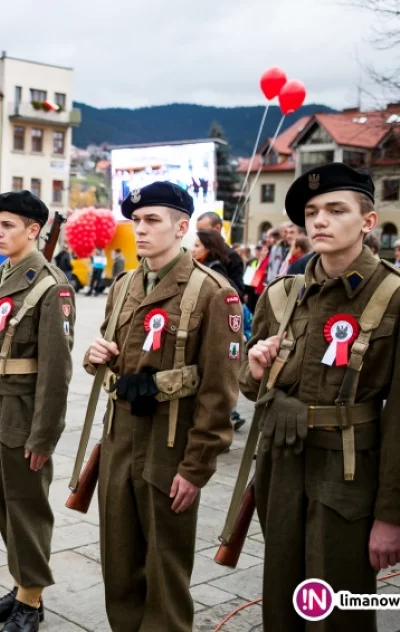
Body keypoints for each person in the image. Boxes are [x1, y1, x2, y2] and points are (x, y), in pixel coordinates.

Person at [237, 163, 400, 630]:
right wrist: (254, 369)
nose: (320, 221)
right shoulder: (283, 295)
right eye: (311, 212)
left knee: (337, 614)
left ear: (368, 222)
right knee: (282, 608)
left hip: (348, 480)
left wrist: (392, 516)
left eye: (336, 209)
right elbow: (253, 388)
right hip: (281, 470)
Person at [85, 182, 240, 632]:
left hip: (168, 445)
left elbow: (219, 391)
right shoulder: (125, 285)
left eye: (153, 220)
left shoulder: (212, 293)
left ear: (182, 227)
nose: (141, 230)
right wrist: (96, 355)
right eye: (136, 221)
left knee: (166, 568)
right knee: (118, 562)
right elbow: (111, 349)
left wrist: (196, 467)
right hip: (119, 442)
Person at [0, 190, 75, 632]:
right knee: (6, 505)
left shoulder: (50, 286)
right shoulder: (2, 275)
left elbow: (56, 371)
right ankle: (22, 582)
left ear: (33, 230)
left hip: (24, 413)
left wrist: (44, 437)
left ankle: (31, 600)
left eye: (8, 225)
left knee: (27, 507)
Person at [195, 211, 246, 293]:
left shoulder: (232, 256)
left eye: (203, 231)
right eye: (198, 231)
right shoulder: (199, 257)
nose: (199, 235)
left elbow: (238, 292)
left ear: (217, 228)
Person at [192, 229, 243, 294]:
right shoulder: (201, 265)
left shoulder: (215, 269)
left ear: (208, 248)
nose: (192, 249)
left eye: (197, 246)